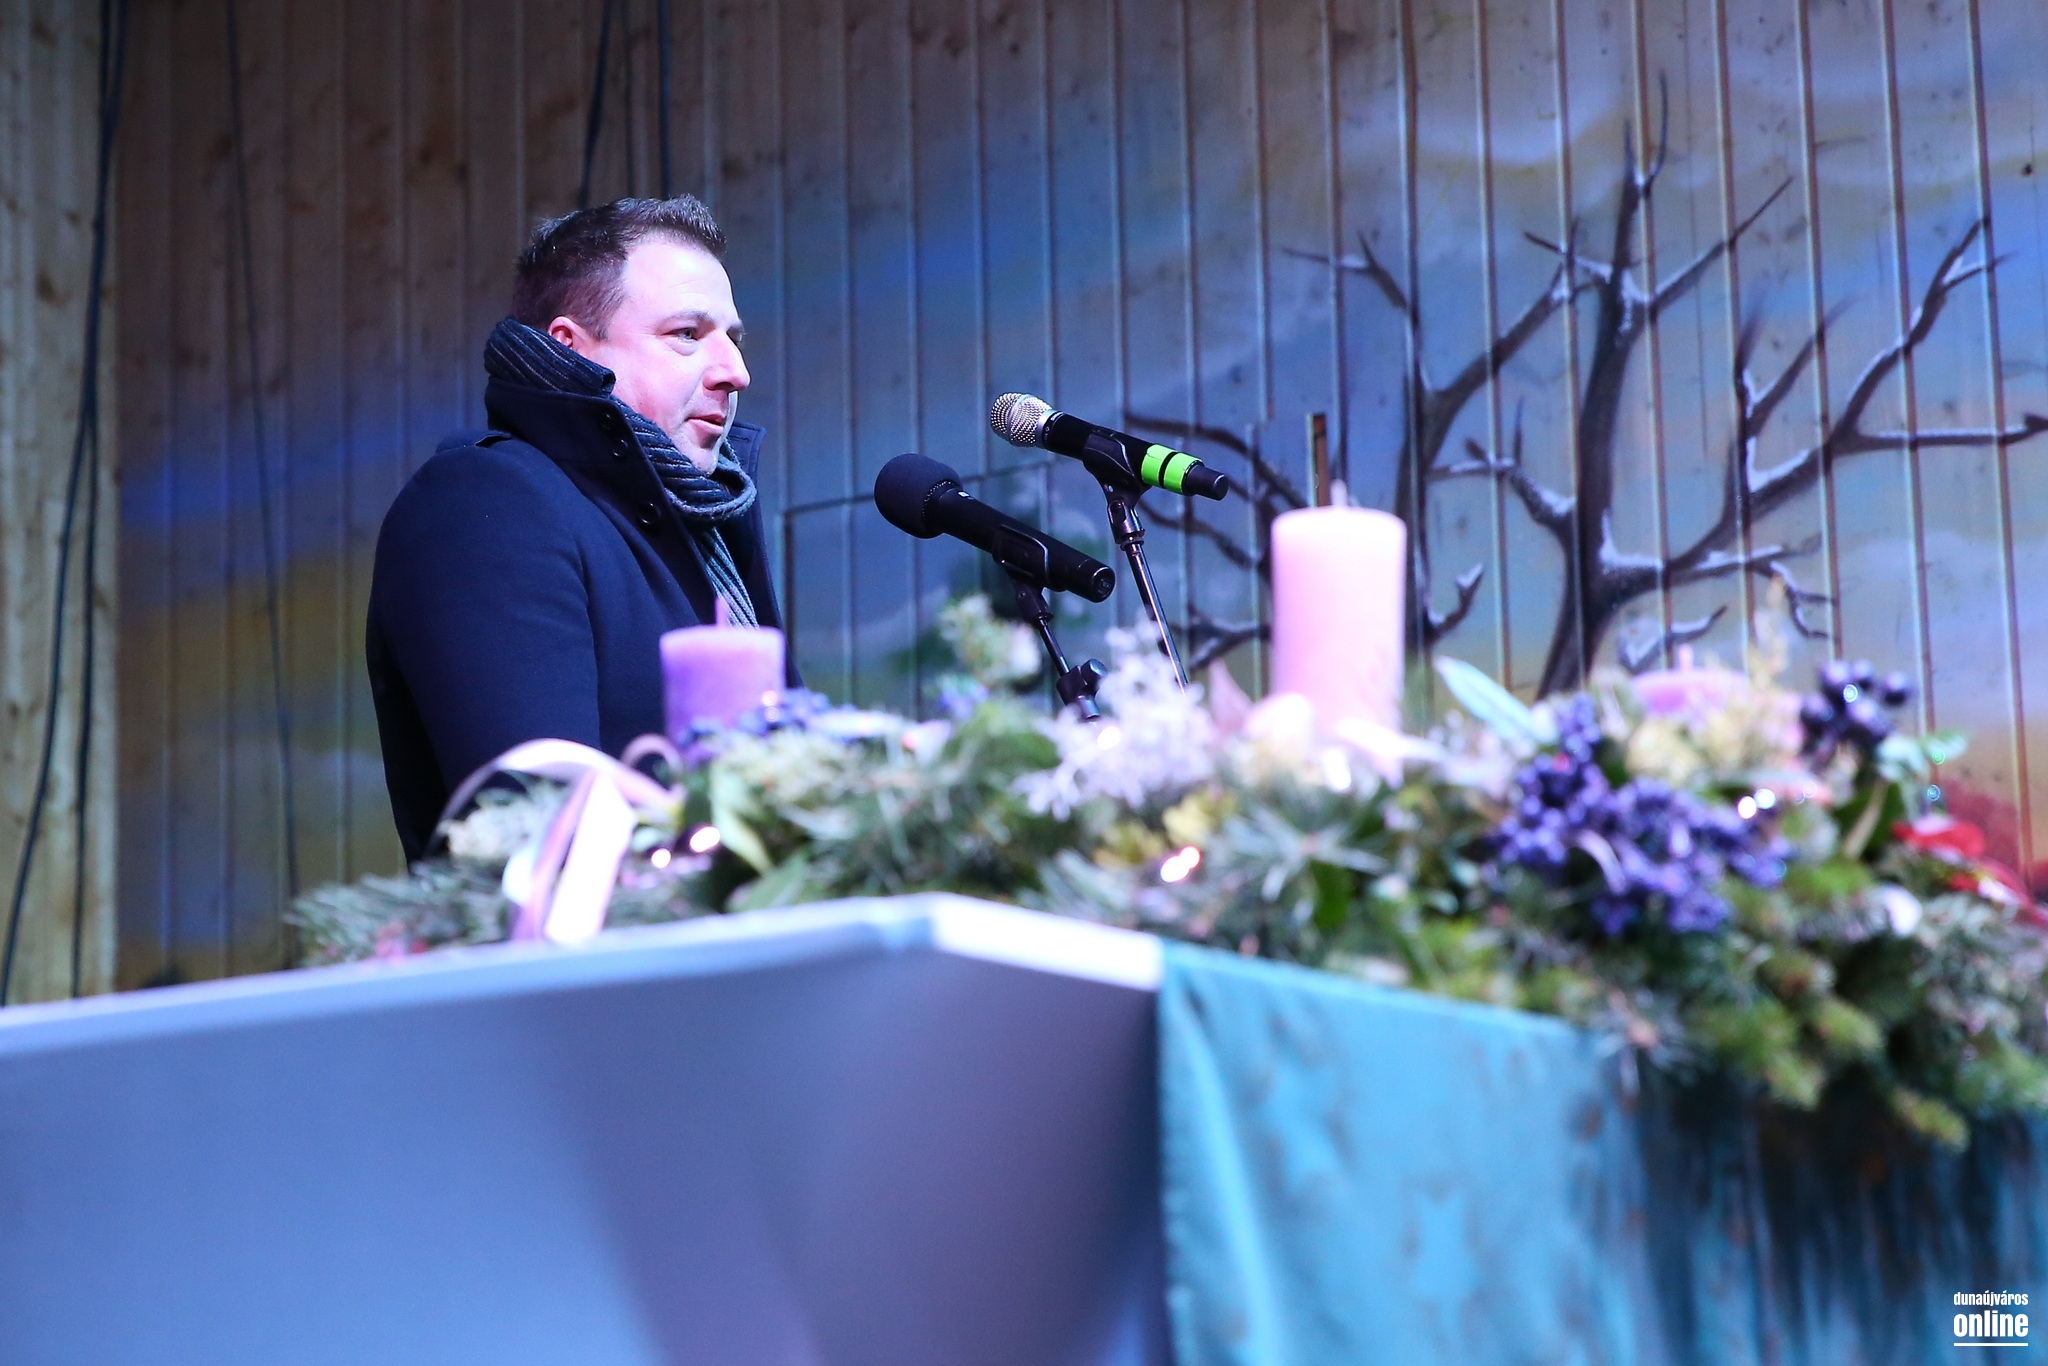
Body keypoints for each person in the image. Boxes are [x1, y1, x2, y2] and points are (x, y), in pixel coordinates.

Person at [367, 196, 789, 862]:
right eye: (687, 333)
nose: (735, 371)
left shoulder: (699, 526)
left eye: (732, 337)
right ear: (571, 347)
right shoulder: (487, 500)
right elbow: (535, 829)